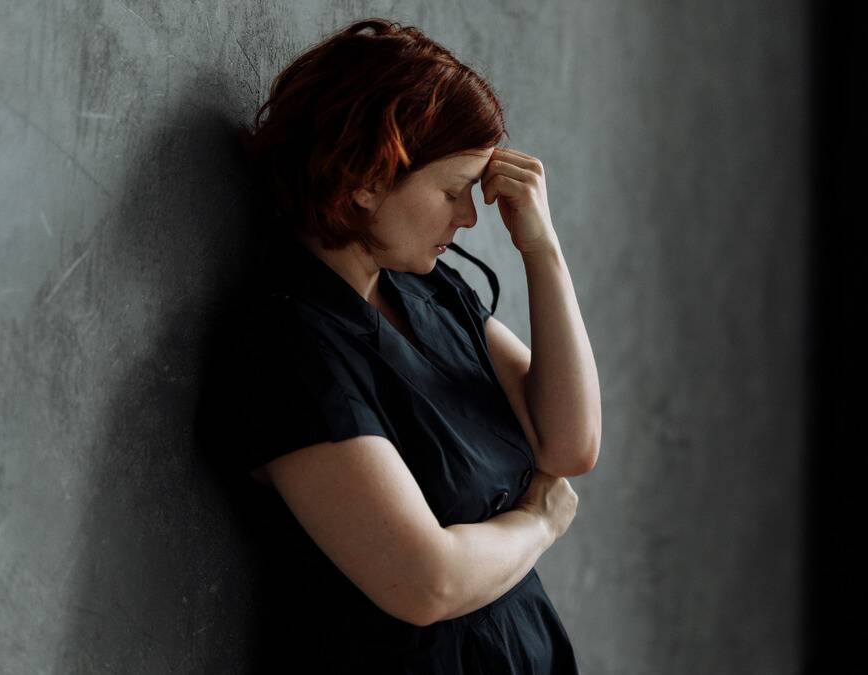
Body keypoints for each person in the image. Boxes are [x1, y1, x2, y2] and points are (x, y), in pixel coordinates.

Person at [225, 17, 601, 673]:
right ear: (367, 178)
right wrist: (538, 521)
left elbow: (570, 443)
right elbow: (426, 582)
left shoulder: (426, 291)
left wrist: (543, 250)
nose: (468, 217)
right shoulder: (289, 347)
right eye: (454, 191)